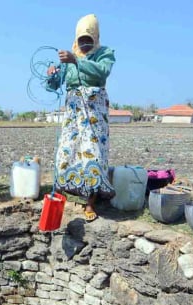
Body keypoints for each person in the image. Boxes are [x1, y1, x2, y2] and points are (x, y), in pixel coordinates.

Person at [47, 14, 116, 222]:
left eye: (89, 40)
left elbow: (102, 73)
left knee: (92, 154)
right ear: (76, 39)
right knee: (66, 151)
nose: (85, 44)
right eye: (81, 40)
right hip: (73, 112)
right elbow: (53, 84)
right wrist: (51, 73)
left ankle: (90, 203)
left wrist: (76, 60)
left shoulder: (105, 53)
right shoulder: (68, 57)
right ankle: (59, 197)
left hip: (94, 114)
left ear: (96, 37)